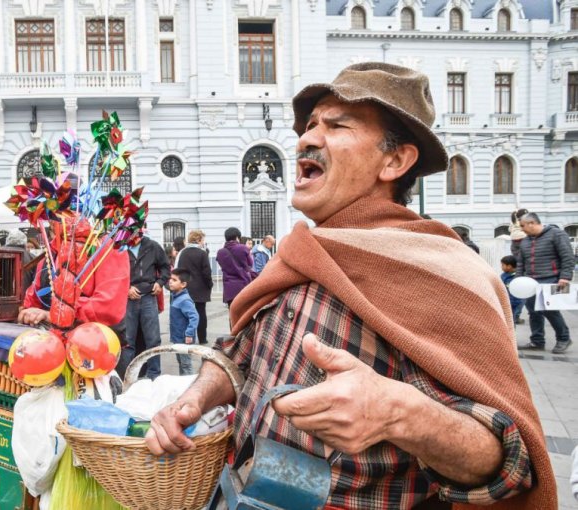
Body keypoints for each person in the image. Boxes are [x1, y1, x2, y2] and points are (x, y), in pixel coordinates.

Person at [147, 63, 552, 508]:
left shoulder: (439, 273)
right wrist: (194, 399)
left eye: (337, 125)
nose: (308, 137)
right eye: (310, 124)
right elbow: (238, 353)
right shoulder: (300, 253)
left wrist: (401, 414)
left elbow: (510, 462)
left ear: (395, 161)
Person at [515, 212, 574, 354]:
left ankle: (564, 338)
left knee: (550, 311)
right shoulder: (526, 241)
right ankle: (537, 341)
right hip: (530, 281)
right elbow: (521, 263)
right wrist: (518, 279)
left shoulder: (556, 234)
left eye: (523, 225)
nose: (521, 229)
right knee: (533, 312)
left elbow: (567, 257)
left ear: (532, 223)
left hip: (551, 279)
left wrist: (565, 277)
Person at [117, 236, 170, 379]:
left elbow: (165, 267)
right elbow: (114, 274)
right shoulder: (119, 246)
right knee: (127, 341)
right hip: (127, 300)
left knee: (153, 339)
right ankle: (127, 377)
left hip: (148, 297)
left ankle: (154, 376)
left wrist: (160, 282)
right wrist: (126, 288)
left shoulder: (152, 246)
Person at [175, 229, 213, 345]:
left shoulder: (183, 252)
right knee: (201, 312)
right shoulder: (202, 253)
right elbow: (207, 272)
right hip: (200, 287)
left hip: (186, 287)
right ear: (198, 239)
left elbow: (178, 269)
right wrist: (209, 284)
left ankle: (188, 337)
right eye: (202, 239)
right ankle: (202, 338)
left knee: (187, 313)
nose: (203, 242)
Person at [168, 268, 198, 376]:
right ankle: (183, 383)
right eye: (170, 279)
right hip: (178, 338)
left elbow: (194, 317)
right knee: (181, 362)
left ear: (183, 284)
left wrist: (189, 333)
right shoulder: (175, 297)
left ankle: (188, 384)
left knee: (186, 364)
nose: (170, 281)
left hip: (184, 339)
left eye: (174, 280)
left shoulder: (184, 300)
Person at [216, 227, 252, 308]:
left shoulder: (220, 252)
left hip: (229, 288)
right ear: (237, 237)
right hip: (243, 285)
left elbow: (222, 265)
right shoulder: (243, 248)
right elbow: (250, 264)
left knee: (232, 314)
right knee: (245, 314)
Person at [500, 255, 524, 327]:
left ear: (509, 266)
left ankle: (511, 335)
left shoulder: (517, 277)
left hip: (515, 303)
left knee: (511, 320)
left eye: (502, 265)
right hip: (506, 301)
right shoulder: (503, 275)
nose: (501, 267)